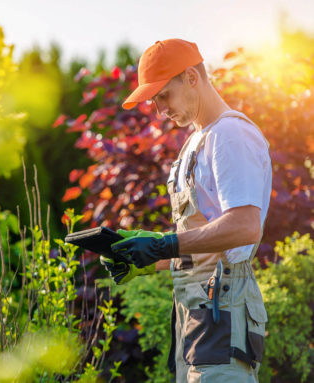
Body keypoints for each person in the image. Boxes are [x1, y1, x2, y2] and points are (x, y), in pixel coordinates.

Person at [100, 39, 272, 382]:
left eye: (164, 95)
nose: (160, 109)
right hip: (195, 319)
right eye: (154, 100)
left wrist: (165, 244)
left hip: (224, 313)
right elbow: (198, 242)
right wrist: (145, 257)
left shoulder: (230, 134)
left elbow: (245, 226)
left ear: (192, 77)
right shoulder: (196, 141)